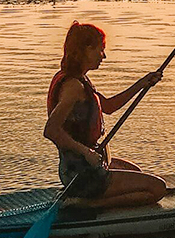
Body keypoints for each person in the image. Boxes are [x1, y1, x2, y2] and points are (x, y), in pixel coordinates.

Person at [44, 21, 167, 208]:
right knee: (157, 188)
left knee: (137, 173)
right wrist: (87, 152)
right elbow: (51, 130)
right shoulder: (73, 87)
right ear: (86, 49)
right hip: (82, 173)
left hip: (84, 167)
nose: (104, 56)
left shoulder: (79, 79)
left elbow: (108, 106)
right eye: (100, 50)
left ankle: (86, 197)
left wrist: (143, 83)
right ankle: (87, 204)